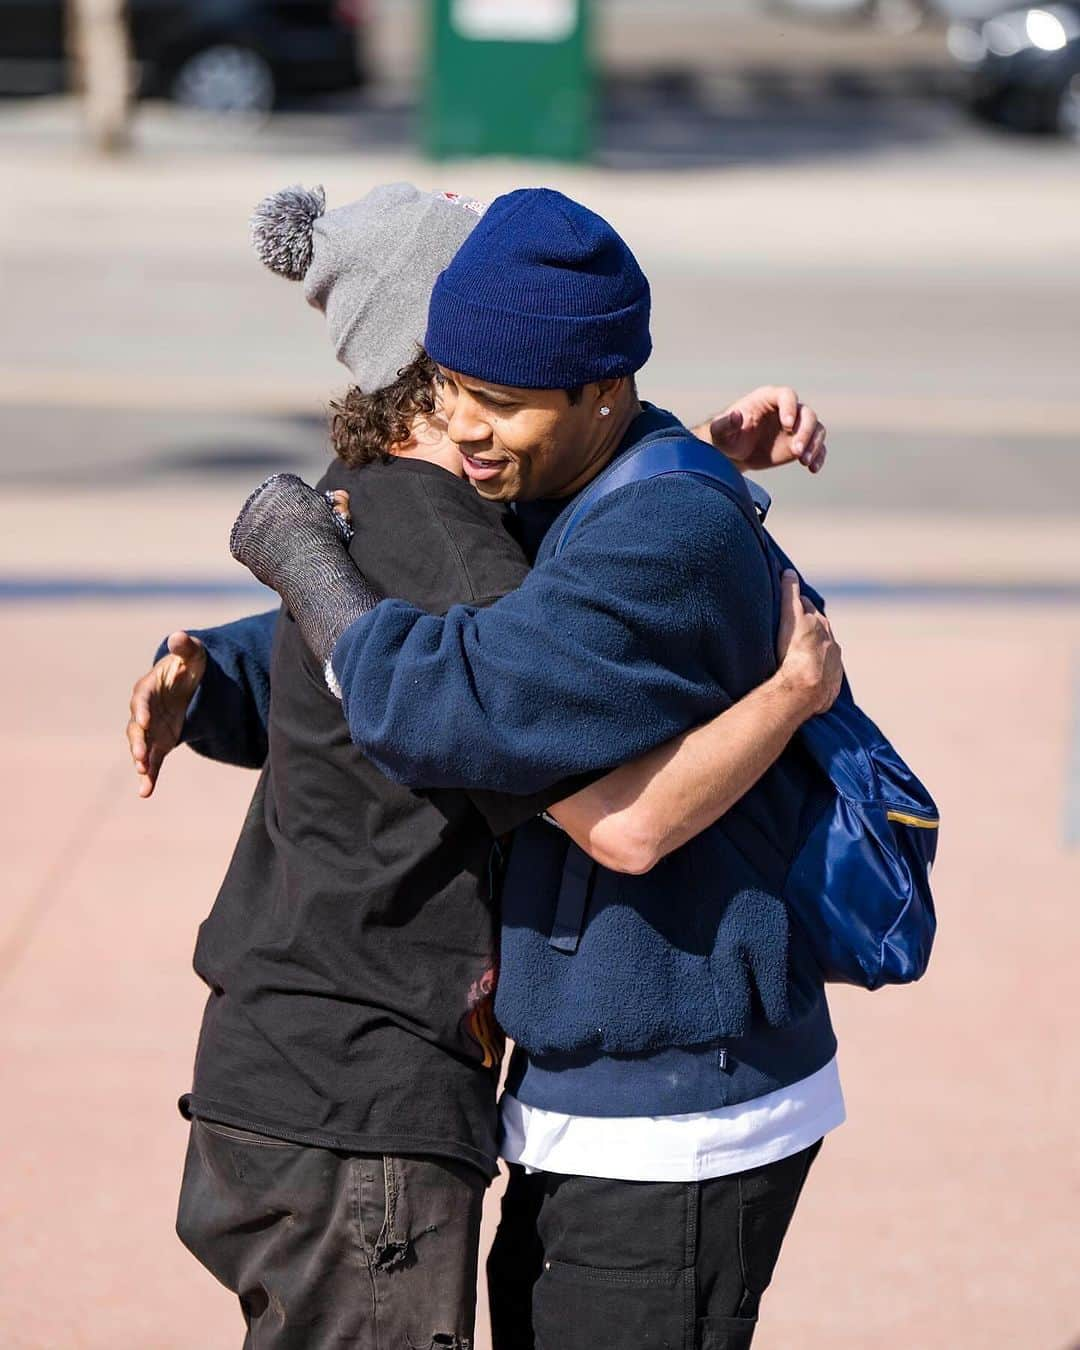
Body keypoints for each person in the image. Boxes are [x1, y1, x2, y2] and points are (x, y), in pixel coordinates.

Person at [129, 182, 838, 1350]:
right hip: (383, 1104)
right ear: (429, 355)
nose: (472, 421)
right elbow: (543, 730)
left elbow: (462, 681)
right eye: (460, 384)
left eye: (499, 395)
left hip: (354, 1084)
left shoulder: (394, 525)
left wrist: (271, 585)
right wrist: (791, 679)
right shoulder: (477, 548)